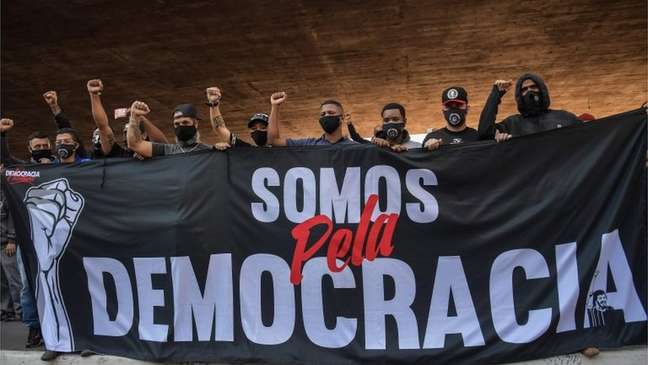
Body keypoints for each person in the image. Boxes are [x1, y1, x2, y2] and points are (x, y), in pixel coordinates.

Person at [478, 73, 582, 142]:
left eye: (533, 87)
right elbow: (485, 133)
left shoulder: (565, 117)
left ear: (542, 90)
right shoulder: (512, 124)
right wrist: (496, 95)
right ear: (519, 96)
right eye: (524, 89)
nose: (529, 91)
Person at [86, 79, 168, 158]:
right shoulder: (120, 154)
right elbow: (103, 126)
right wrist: (94, 95)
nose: (127, 136)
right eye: (126, 133)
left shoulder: (154, 154)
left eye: (130, 131)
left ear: (144, 135)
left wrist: (140, 118)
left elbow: (163, 144)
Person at [126, 101, 220, 157]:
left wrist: (223, 150)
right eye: (176, 124)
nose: (181, 126)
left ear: (195, 124)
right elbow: (135, 144)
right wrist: (135, 117)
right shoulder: (168, 150)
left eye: (185, 122)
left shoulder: (208, 152)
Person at [266, 92, 357, 146]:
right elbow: (273, 141)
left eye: (331, 113)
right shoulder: (309, 145)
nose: (326, 116)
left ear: (342, 118)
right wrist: (275, 106)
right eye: (323, 114)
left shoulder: (355, 149)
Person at [205, 87, 270, 147]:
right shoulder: (246, 150)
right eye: (254, 128)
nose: (258, 131)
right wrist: (214, 105)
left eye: (263, 127)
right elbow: (220, 128)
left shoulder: (279, 147)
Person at [42, 91, 90, 160]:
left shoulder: (85, 164)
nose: (62, 145)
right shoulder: (51, 166)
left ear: (76, 145)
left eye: (67, 142)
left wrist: (54, 106)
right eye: (58, 142)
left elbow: (65, 127)